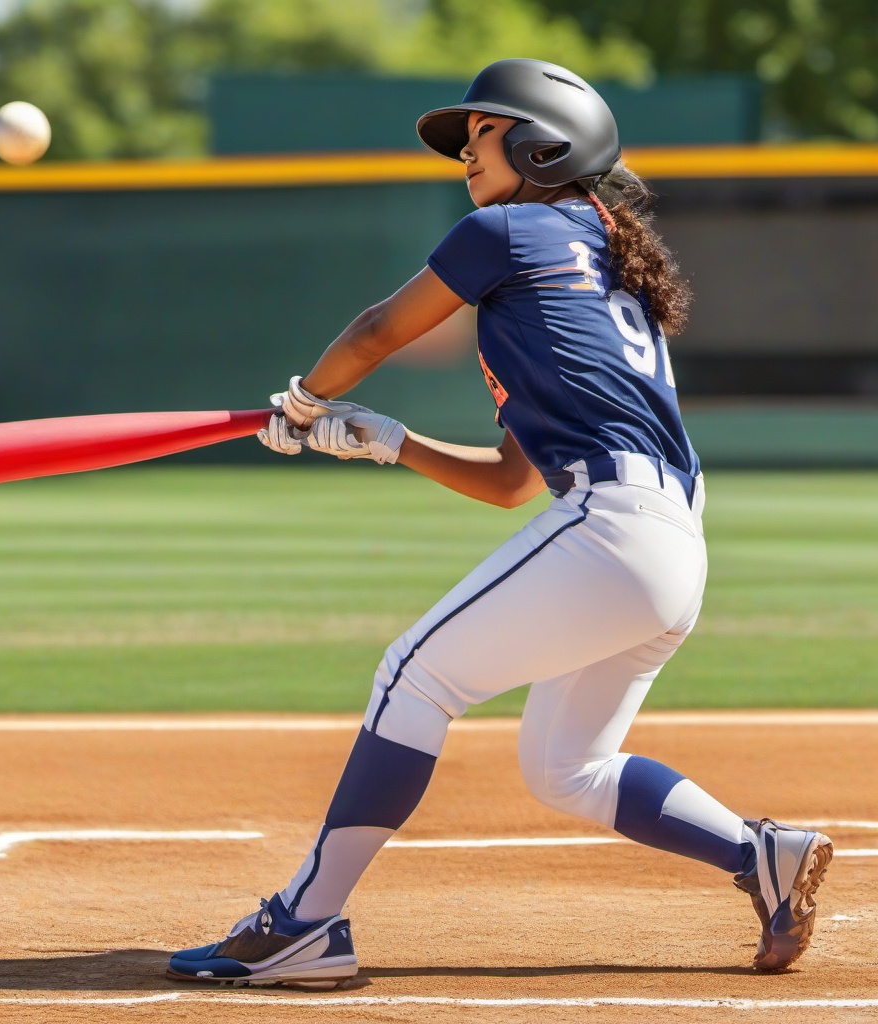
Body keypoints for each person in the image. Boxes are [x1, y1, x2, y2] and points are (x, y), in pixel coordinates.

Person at [166, 58, 832, 989]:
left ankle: (306, 923)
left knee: (413, 672)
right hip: (666, 547)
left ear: (541, 142)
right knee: (568, 766)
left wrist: (309, 399)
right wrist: (391, 441)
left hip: (615, 533)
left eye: (479, 133)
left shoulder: (507, 232)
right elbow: (516, 482)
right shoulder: (601, 268)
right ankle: (758, 854)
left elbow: (372, 332)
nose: (464, 155)